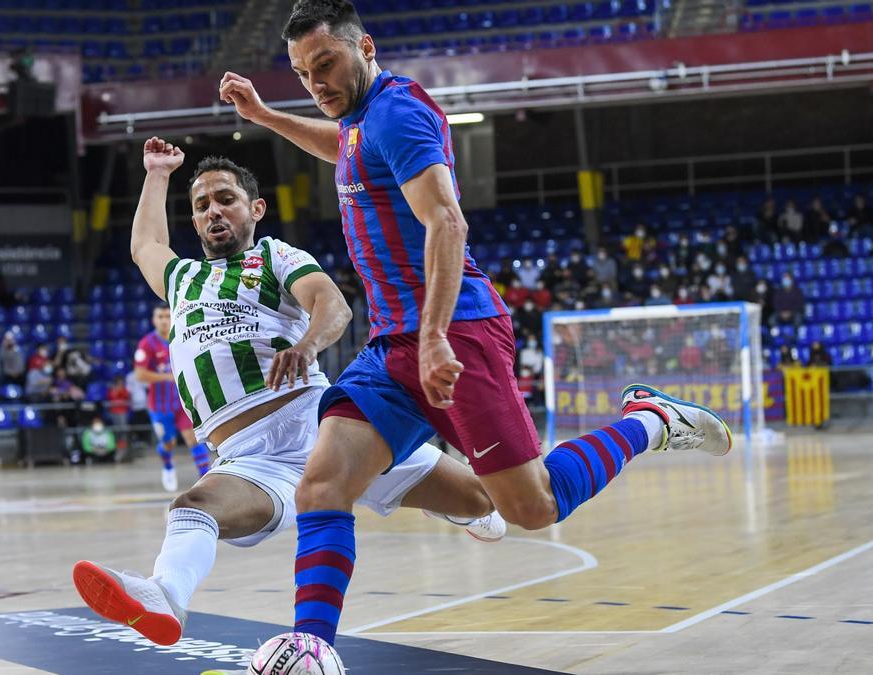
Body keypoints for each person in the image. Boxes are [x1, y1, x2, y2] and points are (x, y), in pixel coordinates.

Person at [219, 0, 732, 650]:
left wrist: (433, 334)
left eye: (326, 63)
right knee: (323, 482)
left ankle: (650, 421)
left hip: (455, 331)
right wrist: (264, 115)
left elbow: (447, 222)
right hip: (392, 346)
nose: (316, 82)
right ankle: (311, 647)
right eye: (303, 72)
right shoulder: (357, 121)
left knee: (533, 506)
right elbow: (343, 149)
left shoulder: (398, 112)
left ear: (365, 46)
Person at [72, 138, 504, 650]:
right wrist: (157, 174)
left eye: (225, 199)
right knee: (192, 506)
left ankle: (478, 497)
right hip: (249, 459)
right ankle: (165, 594)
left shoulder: (274, 256)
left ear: (255, 208)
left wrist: (306, 344)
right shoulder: (183, 278)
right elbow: (145, 245)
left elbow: (333, 306)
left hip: (326, 429)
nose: (214, 211)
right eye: (202, 205)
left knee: (486, 497)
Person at [134, 304, 211, 490]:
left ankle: (207, 481)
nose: (163, 320)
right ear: (154, 320)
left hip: (183, 400)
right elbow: (140, 375)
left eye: (167, 316)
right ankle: (168, 466)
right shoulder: (147, 344)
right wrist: (168, 377)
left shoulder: (184, 336)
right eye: (160, 316)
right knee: (169, 443)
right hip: (160, 405)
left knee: (193, 439)